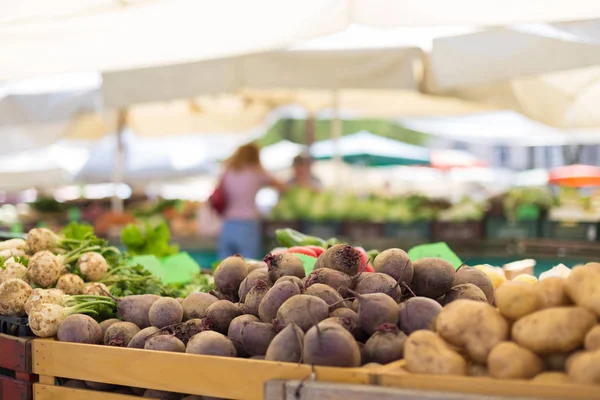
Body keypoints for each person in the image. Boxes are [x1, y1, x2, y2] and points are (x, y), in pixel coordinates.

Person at [217, 143, 284, 260]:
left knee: (224, 265)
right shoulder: (256, 171)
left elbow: (218, 191)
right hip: (248, 223)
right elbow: (281, 186)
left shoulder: (228, 171)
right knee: (248, 265)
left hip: (228, 224)